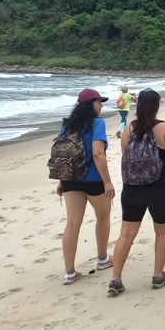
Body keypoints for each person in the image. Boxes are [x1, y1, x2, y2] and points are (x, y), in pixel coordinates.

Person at [108, 88, 165, 296]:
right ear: (157, 107)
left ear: (138, 105)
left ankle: (116, 279)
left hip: (132, 188)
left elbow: (125, 152)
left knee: (126, 234)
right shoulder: (162, 128)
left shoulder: (129, 128)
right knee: (162, 232)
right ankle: (158, 275)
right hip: (159, 188)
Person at [57, 88, 115, 285]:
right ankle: (102, 258)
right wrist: (107, 181)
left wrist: (61, 181)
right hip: (92, 179)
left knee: (72, 223)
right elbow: (98, 154)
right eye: (99, 102)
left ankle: (70, 273)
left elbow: (63, 154)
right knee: (103, 216)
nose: (101, 106)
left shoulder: (67, 126)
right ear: (91, 105)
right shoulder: (97, 123)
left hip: (70, 179)